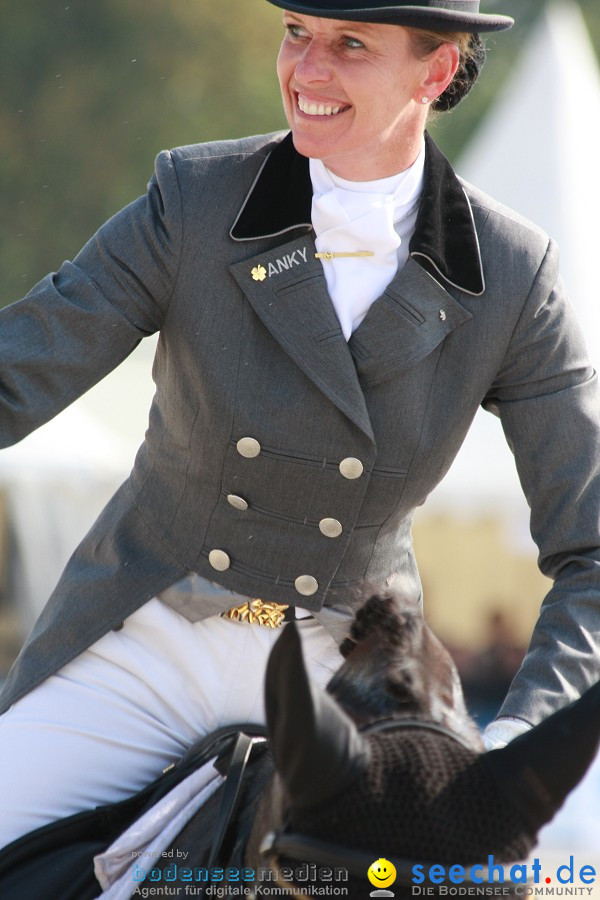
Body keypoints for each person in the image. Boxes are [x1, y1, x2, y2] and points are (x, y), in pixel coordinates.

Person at [1, 0, 600, 851]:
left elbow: (594, 548)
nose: (307, 71)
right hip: (149, 642)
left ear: (435, 71)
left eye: (350, 44)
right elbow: (18, 369)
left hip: (354, 677)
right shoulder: (195, 200)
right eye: (296, 34)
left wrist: (515, 738)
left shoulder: (512, 274)